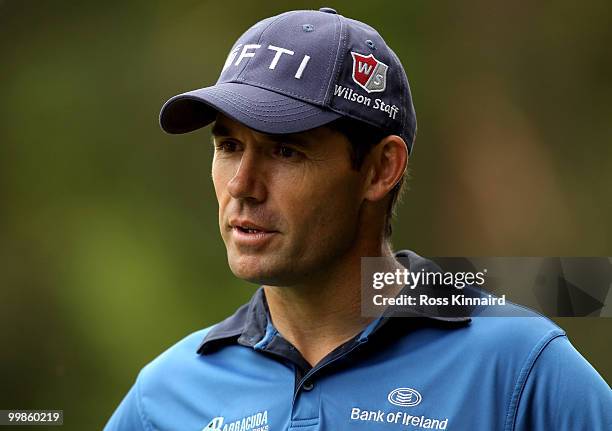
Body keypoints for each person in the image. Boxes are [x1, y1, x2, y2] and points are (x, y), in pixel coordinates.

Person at [104, 7, 611, 431]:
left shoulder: (519, 369)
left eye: (285, 151)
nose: (242, 185)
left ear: (379, 169)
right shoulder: (164, 397)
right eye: (230, 146)